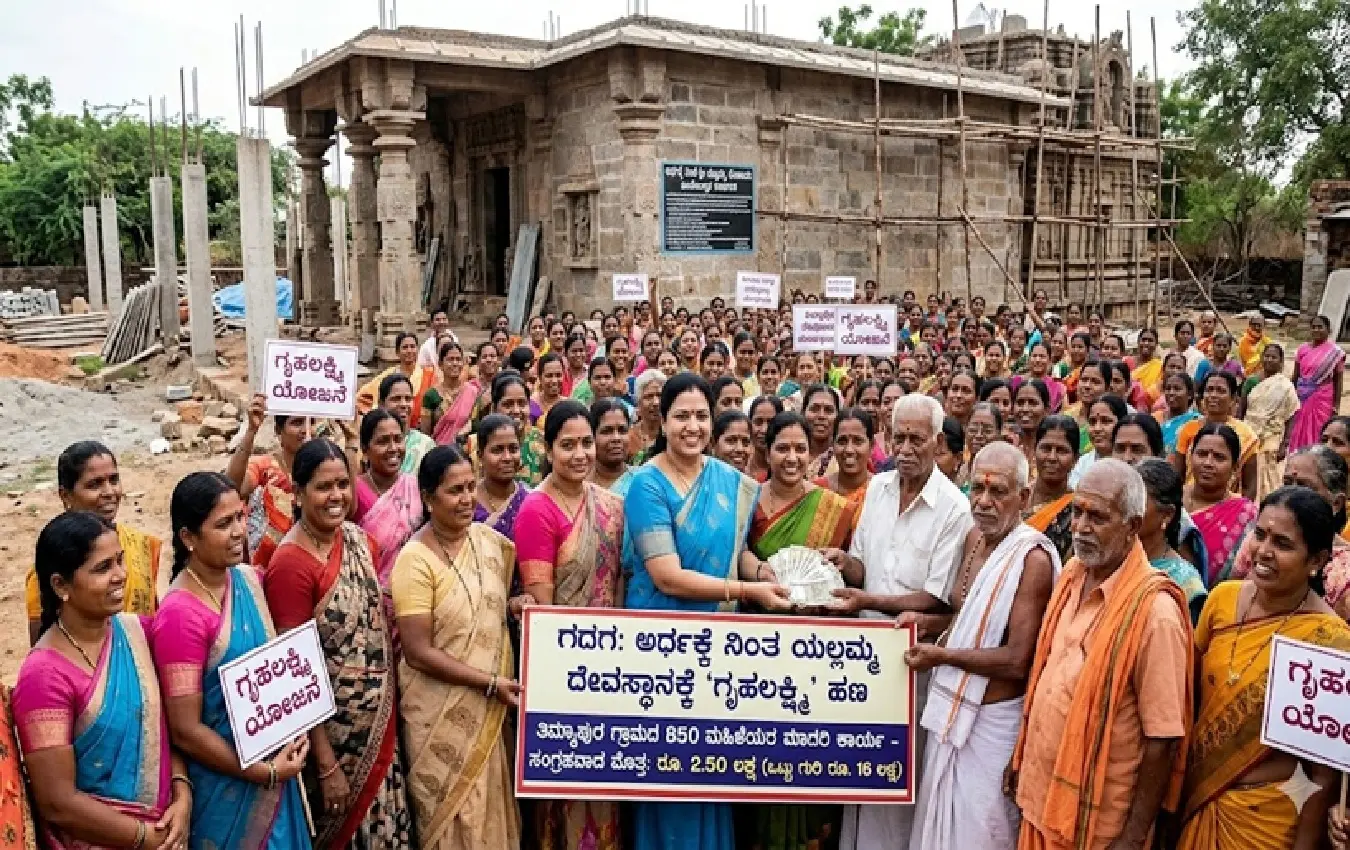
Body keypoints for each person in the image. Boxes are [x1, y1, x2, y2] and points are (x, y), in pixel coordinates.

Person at [623, 372, 790, 850]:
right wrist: (747, 591)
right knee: (667, 765)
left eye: (701, 416)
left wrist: (763, 575)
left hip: (715, 648)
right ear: (664, 420)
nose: (692, 427)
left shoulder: (728, 482)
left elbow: (735, 551)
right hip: (660, 649)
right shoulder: (646, 486)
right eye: (682, 417)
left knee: (707, 762)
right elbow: (667, 576)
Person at [1010, 459, 1192, 850]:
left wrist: (1130, 838)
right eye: (1077, 511)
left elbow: (1163, 739)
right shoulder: (1073, 573)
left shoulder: (1155, 614)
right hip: (1040, 802)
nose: (1080, 526)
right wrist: (1021, 758)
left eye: (1097, 517)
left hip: (1098, 826)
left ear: (1132, 526)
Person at [823, 394, 974, 850]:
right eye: (898, 437)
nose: (906, 448)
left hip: (912, 666)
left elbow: (933, 596)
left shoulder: (954, 508)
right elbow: (864, 565)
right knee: (862, 779)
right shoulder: (878, 489)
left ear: (937, 442)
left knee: (899, 782)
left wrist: (863, 597)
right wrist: (842, 563)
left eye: (917, 438)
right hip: (863, 662)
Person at [1176, 486, 1350, 850]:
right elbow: (1187, 699)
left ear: (1316, 560)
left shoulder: (1331, 640)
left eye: (1283, 544)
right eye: (1260, 534)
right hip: (1198, 803)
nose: (1263, 552)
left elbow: (1323, 773)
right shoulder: (1222, 600)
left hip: (1268, 820)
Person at [907, 442, 1060, 850]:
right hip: (952, 721)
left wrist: (941, 655)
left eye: (998, 492)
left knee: (982, 836)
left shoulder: (1033, 560)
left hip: (994, 728)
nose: (984, 501)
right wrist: (928, 624)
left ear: (1024, 498)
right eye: (977, 489)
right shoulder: (973, 537)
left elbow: (1016, 660)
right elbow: (967, 619)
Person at [262, 440, 411, 846]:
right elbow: (296, 675)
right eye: (323, 487)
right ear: (298, 493)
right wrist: (326, 766)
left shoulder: (359, 540)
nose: (337, 497)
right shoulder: (290, 565)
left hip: (380, 725)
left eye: (343, 484)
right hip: (334, 741)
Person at [152, 472, 310, 849]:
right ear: (188, 538)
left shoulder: (247, 579)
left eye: (240, 517)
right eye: (224, 524)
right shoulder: (180, 615)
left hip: (278, 771)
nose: (240, 530)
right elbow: (186, 729)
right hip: (228, 786)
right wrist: (262, 772)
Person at [16, 511, 191, 850]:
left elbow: (167, 730)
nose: (120, 576)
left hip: (169, 832)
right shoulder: (43, 676)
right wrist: (143, 837)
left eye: (120, 561)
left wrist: (182, 794)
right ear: (60, 586)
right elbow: (57, 802)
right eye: (102, 568)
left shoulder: (138, 632)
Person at [391, 446, 521, 849]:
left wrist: (516, 605)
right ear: (428, 498)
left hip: (490, 710)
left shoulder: (490, 545)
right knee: (452, 819)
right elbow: (417, 651)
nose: (467, 499)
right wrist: (488, 682)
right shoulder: (414, 561)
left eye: (470, 488)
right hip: (439, 717)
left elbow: (491, 608)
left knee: (491, 814)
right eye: (454, 491)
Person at [515, 403, 624, 850]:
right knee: (567, 786)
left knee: (607, 785)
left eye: (586, 443)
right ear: (548, 448)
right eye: (568, 445)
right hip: (563, 671)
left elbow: (619, 581)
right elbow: (543, 608)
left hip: (613, 661)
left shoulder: (611, 505)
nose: (580, 454)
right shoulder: (537, 510)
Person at [25, 441, 164, 645]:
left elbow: (151, 615)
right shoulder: (53, 565)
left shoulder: (141, 545)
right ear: (66, 495)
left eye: (114, 480)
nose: (109, 492)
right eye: (94, 484)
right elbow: (42, 645)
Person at [227, 395, 309, 570]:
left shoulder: (322, 470)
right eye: (297, 423)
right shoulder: (265, 467)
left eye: (312, 422)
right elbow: (232, 487)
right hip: (265, 567)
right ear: (279, 430)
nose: (306, 430)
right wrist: (251, 431)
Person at [352, 409, 424, 584]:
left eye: (398, 440)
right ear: (365, 450)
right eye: (383, 441)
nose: (393, 449)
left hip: (414, 591)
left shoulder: (416, 486)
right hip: (369, 593)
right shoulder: (354, 491)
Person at [1185, 422, 1259, 586]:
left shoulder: (1246, 515)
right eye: (1202, 454)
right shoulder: (1171, 499)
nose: (1208, 463)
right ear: (1191, 457)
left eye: (1219, 457)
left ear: (1235, 467)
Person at [1135, 458, 1208, 622]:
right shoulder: (1112, 561)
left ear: (1167, 514)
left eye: (1137, 502)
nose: (1127, 509)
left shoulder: (1184, 583)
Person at [1172, 372, 1259, 500]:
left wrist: (1241, 513)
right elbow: (1178, 475)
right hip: (1190, 503)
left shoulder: (1246, 435)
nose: (1213, 395)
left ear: (1233, 399)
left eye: (1221, 391)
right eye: (1209, 390)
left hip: (1227, 508)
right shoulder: (1188, 429)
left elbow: (1249, 486)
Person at [1240, 342, 1300, 499]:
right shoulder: (1252, 381)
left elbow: (1291, 414)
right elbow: (1242, 409)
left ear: (1281, 361)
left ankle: (1267, 502)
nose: (1269, 360)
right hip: (1250, 433)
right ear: (1261, 358)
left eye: (1274, 357)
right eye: (1267, 356)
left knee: (1270, 475)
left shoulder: (1286, 386)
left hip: (1273, 436)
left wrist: (1285, 443)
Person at [472, 373, 547, 486]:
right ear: (494, 407)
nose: (516, 410)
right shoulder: (475, 444)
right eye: (508, 404)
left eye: (522, 404)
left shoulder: (543, 441)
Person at [1024, 416, 1078, 563]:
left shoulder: (1076, 512)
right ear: (1035, 451)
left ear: (1075, 459)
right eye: (1046, 448)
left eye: (1061, 451)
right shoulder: (1018, 496)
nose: (1052, 457)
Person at [1290, 314, 1346, 453]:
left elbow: (1338, 380)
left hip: (1322, 397)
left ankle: (1316, 455)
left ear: (1328, 330)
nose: (1316, 330)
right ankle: (1298, 453)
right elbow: (1296, 375)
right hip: (1301, 396)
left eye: (1320, 327)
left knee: (1318, 428)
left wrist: (1336, 405)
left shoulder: (1335, 353)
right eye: (1313, 327)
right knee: (1298, 427)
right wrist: (1290, 395)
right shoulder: (1303, 349)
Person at [357, 331, 436, 426]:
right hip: (392, 428)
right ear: (397, 352)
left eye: (412, 346)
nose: (409, 350)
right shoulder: (387, 375)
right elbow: (362, 396)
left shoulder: (429, 375)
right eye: (405, 347)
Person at [472, 413, 530, 537]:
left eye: (513, 449)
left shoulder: (530, 500)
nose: (507, 457)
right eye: (497, 450)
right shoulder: (468, 502)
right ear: (480, 456)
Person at [817, 408, 875, 518]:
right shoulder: (818, 491)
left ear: (871, 446)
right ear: (832, 445)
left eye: (858, 441)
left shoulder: (881, 492)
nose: (849, 450)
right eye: (842, 441)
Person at [379, 372, 436, 475]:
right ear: (381, 404)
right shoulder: (374, 443)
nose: (404, 404)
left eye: (408, 399)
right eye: (396, 399)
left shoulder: (426, 445)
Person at [1069, 394, 1128, 489]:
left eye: (1106, 421)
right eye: (1092, 422)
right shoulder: (1083, 462)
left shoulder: (1129, 461)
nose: (1097, 429)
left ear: (1122, 424)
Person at [592, 397, 636, 492]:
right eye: (606, 431)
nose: (616, 438)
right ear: (592, 436)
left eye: (622, 430)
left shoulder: (643, 480)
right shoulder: (579, 483)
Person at [801, 384, 841, 479]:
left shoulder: (843, 457)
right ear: (803, 413)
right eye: (814, 409)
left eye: (828, 410)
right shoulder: (792, 454)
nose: (821, 416)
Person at [1157, 372, 1201, 455]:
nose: (1171, 392)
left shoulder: (1197, 421)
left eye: (1177, 389)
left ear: (1190, 394)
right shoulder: (1155, 417)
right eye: (1168, 388)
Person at [630, 369, 666, 465]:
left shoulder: (673, 435)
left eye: (659, 395)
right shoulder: (629, 437)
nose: (655, 402)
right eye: (649, 396)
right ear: (638, 402)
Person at [746, 395, 784, 483]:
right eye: (758, 422)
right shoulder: (740, 463)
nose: (764, 430)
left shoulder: (789, 469)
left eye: (771, 423)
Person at [1131, 327, 1164, 408]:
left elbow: (1159, 391)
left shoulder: (1160, 367)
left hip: (1151, 408)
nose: (1146, 343)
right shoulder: (1127, 362)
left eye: (1150, 340)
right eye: (1143, 340)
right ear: (1138, 342)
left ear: (1156, 344)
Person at [711, 409, 752, 473]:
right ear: (713, 443)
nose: (740, 449)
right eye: (731, 441)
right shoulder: (699, 481)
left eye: (745, 442)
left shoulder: (751, 482)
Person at [532, 353, 567, 425]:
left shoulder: (568, 405)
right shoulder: (531, 404)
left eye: (558, 375)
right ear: (540, 377)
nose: (554, 381)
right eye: (549, 376)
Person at [1235, 314, 1272, 379]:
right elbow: (1241, 363)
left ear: (1263, 326)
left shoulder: (1267, 343)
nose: (1256, 327)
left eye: (1259, 325)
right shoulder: (1243, 342)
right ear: (1249, 325)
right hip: (1246, 377)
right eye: (1254, 324)